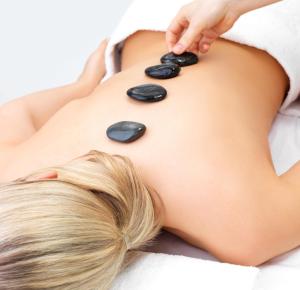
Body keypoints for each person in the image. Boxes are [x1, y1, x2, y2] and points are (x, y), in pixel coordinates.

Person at [0, 0, 299, 289]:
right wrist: (83, 86)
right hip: (159, 16)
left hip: (267, 30)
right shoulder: (15, 169)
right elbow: (16, 114)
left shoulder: (246, 231)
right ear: (45, 178)